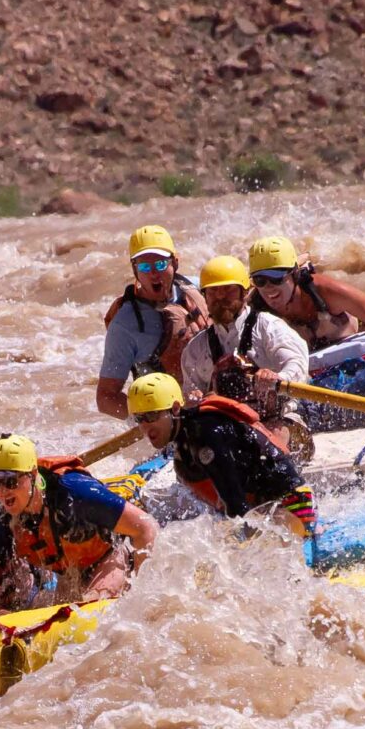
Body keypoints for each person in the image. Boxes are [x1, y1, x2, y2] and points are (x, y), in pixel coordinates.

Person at [0, 434, 159, 639]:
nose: (3, 492)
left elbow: (145, 527)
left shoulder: (75, 491)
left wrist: (142, 591)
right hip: (68, 574)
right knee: (53, 630)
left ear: (32, 475)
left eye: (11, 481)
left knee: (84, 621)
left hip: (110, 561)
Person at [127, 372, 318, 539]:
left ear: (176, 408)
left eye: (151, 416)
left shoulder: (208, 432)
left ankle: (309, 533)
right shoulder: (183, 441)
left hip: (292, 504)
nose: (145, 426)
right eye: (139, 418)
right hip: (261, 507)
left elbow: (235, 504)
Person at [179, 254, 314, 458]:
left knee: (271, 438)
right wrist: (193, 399)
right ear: (204, 297)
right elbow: (191, 393)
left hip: (282, 419)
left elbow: (298, 365)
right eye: (213, 292)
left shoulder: (269, 327)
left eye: (228, 290)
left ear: (244, 292)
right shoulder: (195, 349)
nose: (220, 298)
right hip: (228, 428)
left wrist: (279, 378)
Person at [96, 225, 210, 420]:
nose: (153, 274)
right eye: (144, 267)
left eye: (160, 265)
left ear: (175, 263)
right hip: (166, 417)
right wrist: (147, 419)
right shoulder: (125, 325)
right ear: (135, 271)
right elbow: (106, 398)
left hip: (210, 400)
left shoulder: (200, 288)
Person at [245, 235, 365, 351]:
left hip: (357, 353)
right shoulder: (254, 306)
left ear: (295, 274)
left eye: (276, 278)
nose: (269, 288)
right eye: (260, 281)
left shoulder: (325, 291)